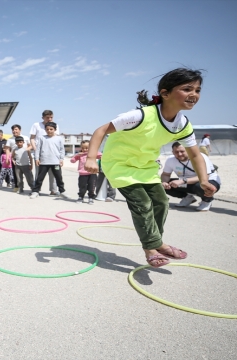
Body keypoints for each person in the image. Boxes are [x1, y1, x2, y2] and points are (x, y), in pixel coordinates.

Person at [85, 68, 217, 268]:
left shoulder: (182, 124)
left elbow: (195, 154)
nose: (194, 94)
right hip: (119, 164)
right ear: (165, 93)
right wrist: (91, 158)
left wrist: (204, 180)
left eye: (198, 90)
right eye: (187, 89)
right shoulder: (140, 116)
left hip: (145, 166)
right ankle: (152, 248)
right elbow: (101, 130)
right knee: (142, 203)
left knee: (161, 202)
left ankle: (155, 244)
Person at [161, 142, 221, 211]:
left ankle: (207, 200)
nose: (179, 154)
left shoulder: (200, 157)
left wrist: (182, 181)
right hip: (186, 182)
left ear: (188, 150)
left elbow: (204, 177)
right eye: (176, 152)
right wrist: (164, 182)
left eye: (182, 151)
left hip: (209, 181)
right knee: (160, 185)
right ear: (172, 152)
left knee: (199, 186)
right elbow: (166, 174)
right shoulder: (170, 159)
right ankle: (187, 198)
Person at [30, 122, 67, 199]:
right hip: (44, 162)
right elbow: (38, 149)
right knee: (40, 178)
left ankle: (62, 191)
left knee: (59, 178)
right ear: (45, 130)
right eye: (47, 129)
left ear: (55, 130)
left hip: (55, 162)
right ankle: (35, 191)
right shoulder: (41, 138)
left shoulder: (59, 139)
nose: (49, 131)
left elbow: (62, 150)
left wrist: (61, 159)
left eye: (51, 129)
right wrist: (37, 158)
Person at [30, 110, 60, 195]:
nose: (50, 119)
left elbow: (56, 139)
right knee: (39, 173)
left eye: (51, 117)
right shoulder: (36, 125)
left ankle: (53, 190)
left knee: (53, 173)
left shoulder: (55, 125)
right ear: (43, 117)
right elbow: (32, 138)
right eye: (47, 117)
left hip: (52, 153)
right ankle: (36, 190)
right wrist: (35, 149)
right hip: (39, 152)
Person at [70, 140, 101, 204]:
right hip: (83, 173)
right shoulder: (80, 155)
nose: (85, 149)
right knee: (82, 186)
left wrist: (96, 153)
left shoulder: (93, 153)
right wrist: (76, 155)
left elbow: (101, 156)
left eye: (87, 148)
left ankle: (91, 197)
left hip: (92, 173)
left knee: (92, 186)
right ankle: (81, 197)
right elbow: (72, 161)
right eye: (83, 148)